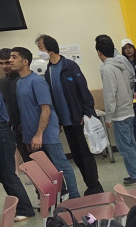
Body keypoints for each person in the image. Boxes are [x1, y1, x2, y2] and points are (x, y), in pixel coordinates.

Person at [35, 35, 104, 195]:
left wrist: (88, 113)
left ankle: (95, 185)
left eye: (41, 48)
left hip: (79, 119)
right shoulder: (48, 70)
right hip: (65, 122)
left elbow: (83, 91)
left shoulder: (69, 66)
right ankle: (89, 184)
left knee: (85, 155)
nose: (39, 51)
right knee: (77, 156)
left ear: (50, 48)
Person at [10, 46, 81, 202]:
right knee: (44, 170)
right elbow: (27, 110)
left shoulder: (37, 81)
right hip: (31, 135)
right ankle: (55, 199)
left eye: (14, 57)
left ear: (25, 61)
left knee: (61, 164)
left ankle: (75, 197)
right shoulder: (20, 83)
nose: (10, 60)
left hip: (45, 134)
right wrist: (27, 133)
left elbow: (46, 109)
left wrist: (38, 134)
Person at [0, 58, 35, 225]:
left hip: (0, 133)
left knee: (8, 174)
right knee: (0, 174)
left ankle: (25, 209)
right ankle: (17, 206)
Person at [94, 35, 136, 187]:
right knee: (132, 144)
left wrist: (108, 116)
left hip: (119, 114)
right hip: (128, 109)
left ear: (99, 53)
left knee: (125, 146)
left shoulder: (107, 68)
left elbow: (110, 94)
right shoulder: (121, 63)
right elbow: (130, 82)